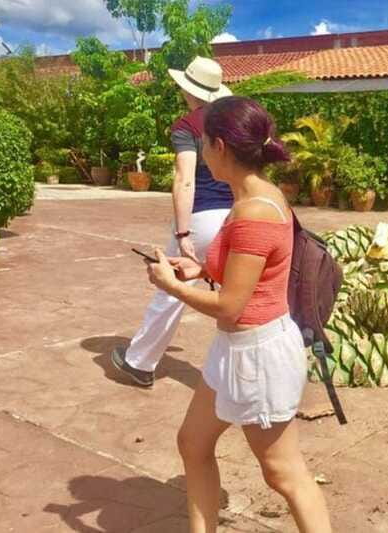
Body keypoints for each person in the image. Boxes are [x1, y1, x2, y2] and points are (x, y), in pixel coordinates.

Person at [145, 96, 332, 533]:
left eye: (203, 142)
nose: (201, 151)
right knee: (193, 443)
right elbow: (247, 272)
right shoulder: (255, 197)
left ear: (221, 146)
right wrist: (198, 268)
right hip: (234, 350)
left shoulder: (253, 212)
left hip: (258, 356)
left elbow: (232, 304)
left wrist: (173, 286)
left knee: (283, 474)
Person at [112, 57, 234, 387]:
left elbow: (185, 179)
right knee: (238, 293)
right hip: (237, 214)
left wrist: (182, 233)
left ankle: (139, 362)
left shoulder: (188, 126)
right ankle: (245, 375)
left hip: (202, 217)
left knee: (172, 289)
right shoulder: (232, 121)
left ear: (186, 89)